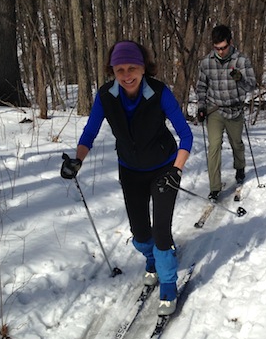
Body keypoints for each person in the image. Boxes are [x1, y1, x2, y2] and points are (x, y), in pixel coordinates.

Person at [61, 40, 193, 316]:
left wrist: (176, 171)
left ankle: (168, 283)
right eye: (119, 69)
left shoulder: (159, 93)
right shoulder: (106, 96)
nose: (126, 75)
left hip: (164, 170)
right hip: (130, 170)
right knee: (141, 234)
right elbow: (89, 133)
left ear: (144, 68)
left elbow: (186, 135)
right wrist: (78, 160)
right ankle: (152, 260)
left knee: (160, 232)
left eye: (132, 67)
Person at [196, 25, 256, 201]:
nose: (220, 52)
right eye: (217, 48)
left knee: (236, 143)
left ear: (230, 42)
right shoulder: (206, 62)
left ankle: (240, 167)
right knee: (214, 146)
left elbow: (252, 85)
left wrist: (240, 78)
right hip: (214, 109)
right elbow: (201, 87)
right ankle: (215, 188)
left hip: (234, 109)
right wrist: (201, 107)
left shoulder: (241, 60)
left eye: (223, 48)